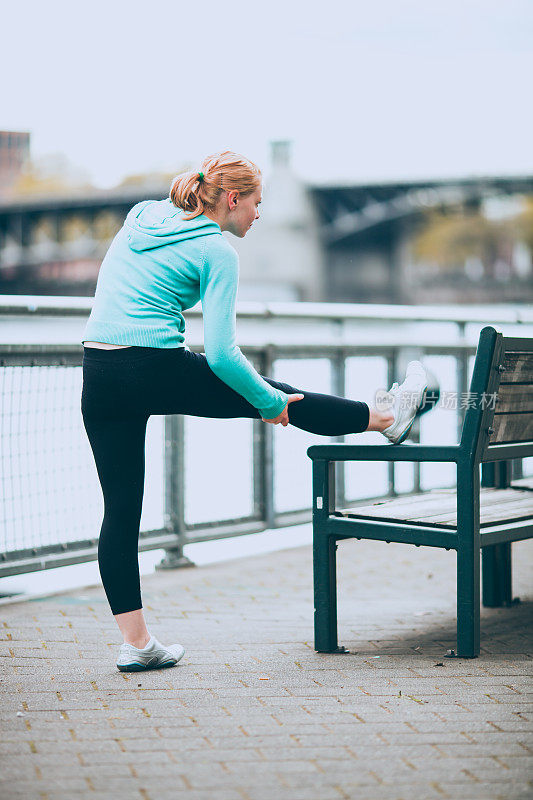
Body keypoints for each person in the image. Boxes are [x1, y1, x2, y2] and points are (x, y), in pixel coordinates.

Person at [81, 150, 427, 672]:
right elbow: (222, 355)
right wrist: (266, 404)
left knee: (121, 510)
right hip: (152, 365)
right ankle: (385, 418)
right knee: (277, 390)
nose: (260, 215)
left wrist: (260, 399)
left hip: (99, 373)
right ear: (234, 199)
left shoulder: (142, 216)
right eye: (257, 204)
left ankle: (137, 645)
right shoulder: (217, 252)